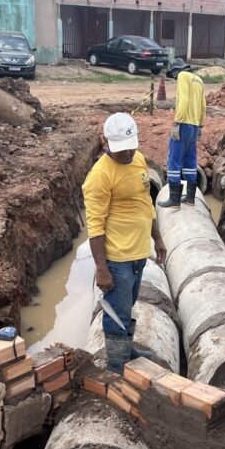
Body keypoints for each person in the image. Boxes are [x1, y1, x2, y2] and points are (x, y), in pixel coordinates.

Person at [83, 113, 167, 373]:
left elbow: (146, 203)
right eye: (122, 150)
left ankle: (126, 351)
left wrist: (158, 238)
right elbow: (95, 227)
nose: (127, 154)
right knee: (116, 314)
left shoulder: (138, 159)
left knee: (126, 306)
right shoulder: (100, 176)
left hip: (138, 254)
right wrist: (101, 268)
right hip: (117, 259)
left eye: (131, 147)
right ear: (106, 143)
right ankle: (117, 367)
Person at [158, 58, 206, 208]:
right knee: (190, 159)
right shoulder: (198, 80)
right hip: (194, 126)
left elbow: (183, 99)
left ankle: (174, 200)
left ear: (176, 70)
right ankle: (190, 198)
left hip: (184, 124)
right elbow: (203, 105)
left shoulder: (183, 76)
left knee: (174, 159)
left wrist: (177, 121)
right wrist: (200, 125)